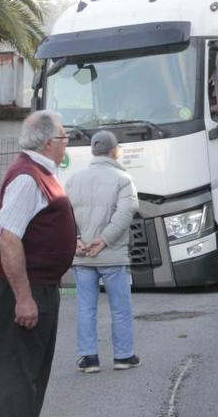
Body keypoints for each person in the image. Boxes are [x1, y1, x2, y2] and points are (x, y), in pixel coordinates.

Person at [0, 110, 75, 417]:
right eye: (64, 137)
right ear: (50, 142)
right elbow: (9, 239)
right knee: (19, 380)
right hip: (28, 288)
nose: (66, 143)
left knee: (32, 376)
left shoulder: (40, 173)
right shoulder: (28, 177)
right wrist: (24, 298)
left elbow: (36, 229)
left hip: (41, 287)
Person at [64, 131, 141, 373]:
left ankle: (88, 358)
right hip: (112, 254)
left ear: (93, 151)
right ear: (114, 150)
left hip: (82, 255)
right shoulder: (123, 179)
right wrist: (104, 240)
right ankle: (124, 356)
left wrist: (75, 239)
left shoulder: (73, 180)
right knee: (120, 307)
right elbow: (125, 214)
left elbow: (64, 215)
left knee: (86, 308)